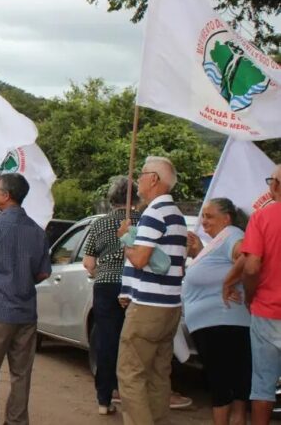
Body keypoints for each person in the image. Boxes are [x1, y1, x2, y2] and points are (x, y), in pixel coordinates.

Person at [116, 156, 188, 425]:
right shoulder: (177, 215)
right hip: (170, 307)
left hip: (148, 307)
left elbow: (140, 259)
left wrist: (125, 237)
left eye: (142, 174)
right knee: (159, 374)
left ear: (154, 179)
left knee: (130, 373)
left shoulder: (154, 213)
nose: (138, 182)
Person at [0, 173, 51, 424]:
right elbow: (42, 272)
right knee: (21, 374)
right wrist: (23, 280)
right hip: (26, 312)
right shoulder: (37, 231)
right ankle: (17, 421)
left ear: (6, 195)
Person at [182, 198, 250, 425]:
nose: (204, 221)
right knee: (235, 382)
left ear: (227, 218)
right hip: (221, 322)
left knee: (222, 382)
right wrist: (200, 253)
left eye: (209, 216)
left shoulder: (232, 233)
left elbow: (247, 256)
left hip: (222, 322)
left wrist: (230, 282)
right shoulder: (220, 239)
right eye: (203, 216)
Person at [81, 177, 141, 415]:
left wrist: (102, 272)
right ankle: (133, 398)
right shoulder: (144, 221)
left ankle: (104, 399)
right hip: (136, 286)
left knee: (107, 341)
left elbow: (88, 262)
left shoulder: (99, 224)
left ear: (111, 198)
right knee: (135, 342)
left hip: (106, 286)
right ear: (135, 198)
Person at [237, 164, 281, 425]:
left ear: (275, 185)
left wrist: (250, 297)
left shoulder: (262, 218)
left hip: (266, 311)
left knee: (262, 385)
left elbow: (251, 266)